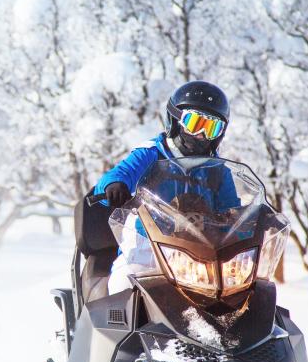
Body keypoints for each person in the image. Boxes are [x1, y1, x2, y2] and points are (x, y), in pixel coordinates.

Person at [94, 80, 236, 293]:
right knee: (123, 286)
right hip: (148, 247)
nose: (202, 135)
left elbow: (232, 210)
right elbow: (121, 173)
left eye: (212, 128)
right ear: (176, 120)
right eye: (195, 123)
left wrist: (252, 223)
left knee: (240, 290)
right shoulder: (152, 153)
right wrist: (115, 185)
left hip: (200, 254)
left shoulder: (218, 170)